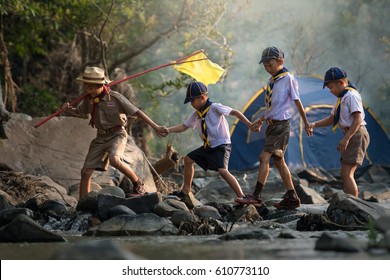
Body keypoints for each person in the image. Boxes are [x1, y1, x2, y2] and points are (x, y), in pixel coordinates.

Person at [62, 66, 168, 199]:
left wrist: (156, 126)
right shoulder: (88, 100)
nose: (89, 90)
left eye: (93, 87)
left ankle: (138, 184)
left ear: (101, 85)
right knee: (85, 172)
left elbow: (136, 112)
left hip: (117, 135)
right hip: (100, 137)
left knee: (114, 159)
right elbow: (81, 112)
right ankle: (83, 202)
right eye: (87, 87)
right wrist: (68, 109)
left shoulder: (115, 98)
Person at [235, 46, 312, 209]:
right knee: (279, 161)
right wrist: (261, 120)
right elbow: (271, 108)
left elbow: (298, 102)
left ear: (280, 61)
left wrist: (306, 123)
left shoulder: (288, 79)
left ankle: (256, 196)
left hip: (281, 126)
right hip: (272, 125)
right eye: (265, 66)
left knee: (264, 157)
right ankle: (292, 197)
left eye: (270, 64)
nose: (267, 68)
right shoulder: (271, 81)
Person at [167, 81, 254, 202]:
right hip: (208, 146)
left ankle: (242, 196)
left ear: (202, 97)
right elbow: (184, 126)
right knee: (188, 160)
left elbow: (234, 112)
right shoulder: (196, 114)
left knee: (223, 171)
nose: (191, 104)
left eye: (193, 101)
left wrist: (249, 124)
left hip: (221, 145)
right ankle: (186, 189)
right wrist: (168, 130)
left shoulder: (215, 108)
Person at [309, 67, 370, 197]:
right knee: (344, 172)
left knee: (347, 172)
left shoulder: (351, 96)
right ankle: (349, 200)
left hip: (356, 134)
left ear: (341, 83)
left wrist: (346, 138)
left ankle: (354, 204)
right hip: (351, 133)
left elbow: (358, 119)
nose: (331, 91)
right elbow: (331, 119)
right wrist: (314, 124)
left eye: (331, 88)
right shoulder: (341, 98)